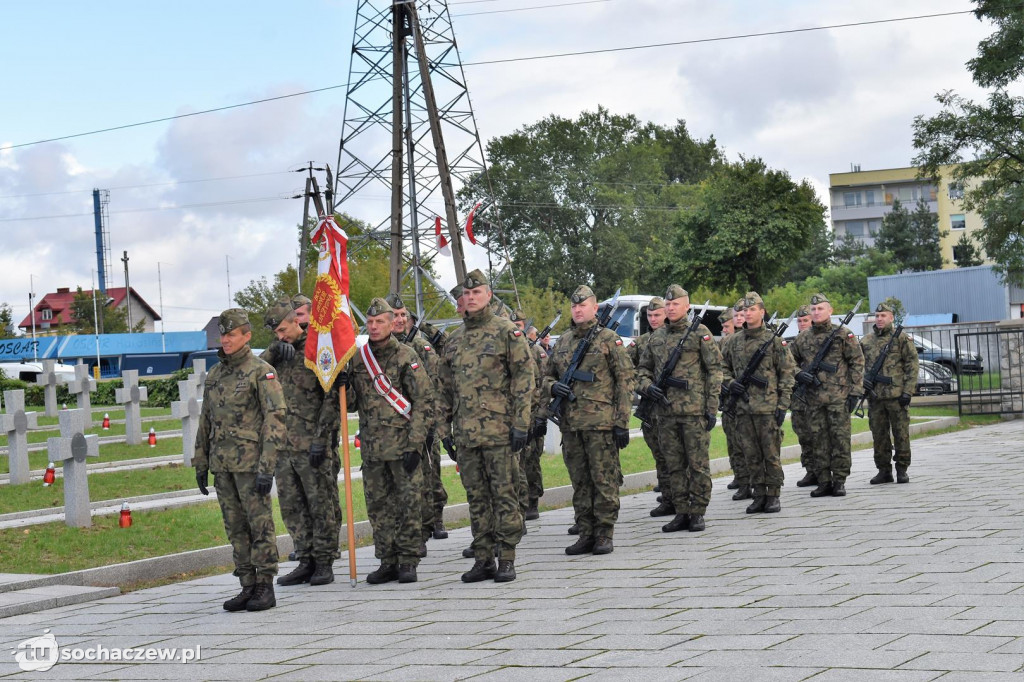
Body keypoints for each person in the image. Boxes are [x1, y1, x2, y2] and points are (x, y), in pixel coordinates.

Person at [438, 269, 534, 582]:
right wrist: (444, 431)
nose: (470, 298)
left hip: (500, 431)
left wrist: (521, 423)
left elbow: (524, 379)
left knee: (504, 494)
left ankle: (506, 556)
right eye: (466, 295)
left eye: (476, 293)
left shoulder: (507, 332)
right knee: (476, 497)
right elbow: (444, 389)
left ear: (488, 295)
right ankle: (483, 557)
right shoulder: (455, 340)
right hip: (466, 434)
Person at [194, 308, 286, 612]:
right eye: (223, 334)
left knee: (259, 525)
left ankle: (265, 586)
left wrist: (267, 466)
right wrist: (201, 461)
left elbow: (275, 418)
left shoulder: (262, 371)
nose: (226, 340)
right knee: (234, 527)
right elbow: (206, 420)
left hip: (251, 464)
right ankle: (247, 584)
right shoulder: (216, 373)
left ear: (247, 335)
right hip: (223, 465)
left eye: (231, 334)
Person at [347, 297, 433, 584]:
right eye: (369, 323)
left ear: (391, 324)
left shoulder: (407, 356)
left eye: (379, 321)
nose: (373, 327)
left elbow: (423, 402)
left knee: (408, 504)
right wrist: (341, 385)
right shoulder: (359, 359)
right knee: (378, 507)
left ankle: (408, 560)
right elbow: (349, 405)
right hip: (372, 449)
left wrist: (416, 444)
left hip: (403, 445)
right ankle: (387, 559)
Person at [545, 285, 634, 555]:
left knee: (603, 479)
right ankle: (585, 532)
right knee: (580, 481)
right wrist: (552, 388)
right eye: (574, 306)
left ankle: (604, 533)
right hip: (571, 425)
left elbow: (625, 381)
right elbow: (545, 376)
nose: (577, 310)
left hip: (601, 424)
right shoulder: (562, 342)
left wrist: (621, 421)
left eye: (582, 306)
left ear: (595, 308)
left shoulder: (609, 339)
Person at [261, 300, 341, 587]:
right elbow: (251, 372)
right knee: (292, 506)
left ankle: (324, 561)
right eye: (276, 334)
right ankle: (305, 558)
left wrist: (323, 438)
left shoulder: (318, 349)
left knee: (320, 503)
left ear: (296, 320)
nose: (281, 337)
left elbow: (331, 398)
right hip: (283, 446)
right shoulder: (277, 355)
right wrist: (273, 351)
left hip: (312, 444)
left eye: (284, 330)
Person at [636, 285, 721, 533]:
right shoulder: (656, 337)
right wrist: (647, 386)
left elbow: (715, 370)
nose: (671, 308)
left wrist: (711, 407)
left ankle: (698, 512)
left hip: (694, 411)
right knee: (674, 465)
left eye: (675, 304)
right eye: (668, 304)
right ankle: (681, 510)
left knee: (697, 465)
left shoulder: (699, 333)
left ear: (686, 306)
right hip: (664, 412)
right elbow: (642, 370)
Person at [720, 292, 796, 513]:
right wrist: (730, 382)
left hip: (768, 407)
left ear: (762, 312)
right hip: (743, 408)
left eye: (752, 310)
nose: (747, 313)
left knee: (770, 453)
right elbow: (720, 368)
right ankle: (758, 493)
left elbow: (787, 374)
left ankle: (773, 494)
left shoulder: (774, 341)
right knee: (750, 453)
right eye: (744, 310)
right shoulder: (733, 341)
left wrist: (783, 405)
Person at [387, 293, 448, 547]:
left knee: (430, 473)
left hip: (423, 422)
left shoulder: (420, 345)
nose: (399, 320)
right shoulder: (378, 349)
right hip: (395, 426)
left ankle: (435, 519)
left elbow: (435, 381)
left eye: (403, 316)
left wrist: (432, 421)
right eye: (395, 315)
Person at [791, 294, 865, 498]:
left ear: (830, 311)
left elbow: (857, 362)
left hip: (838, 397)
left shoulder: (843, 334)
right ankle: (823, 480)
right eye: (813, 310)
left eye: (820, 309)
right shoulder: (802, 338)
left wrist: (855, 391)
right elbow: (788, 361)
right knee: (818, 440)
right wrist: (799, 374)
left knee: (840, 439)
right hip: (813, 400)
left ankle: (839, 480)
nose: (816, 313)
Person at [861, 302, 919, 484]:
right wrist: (864, 381)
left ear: (891, 318)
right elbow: (858, 365)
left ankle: (902, 469)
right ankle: (883, 470)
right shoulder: (866, 341)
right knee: (879, 436)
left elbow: (912, 365)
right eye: (877, 316)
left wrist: (908, 391)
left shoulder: (901, 339)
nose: (879, 319)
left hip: (897, 397)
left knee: (901, 434)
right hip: (876, 397)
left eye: (883, 316)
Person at [627, 297, 673, 516]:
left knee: (675, 453)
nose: (653, 319)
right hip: (650, 407)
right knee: (659, 453)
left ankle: (682, 495)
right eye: (650, 315)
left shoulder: (675, 338)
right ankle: (667, 496)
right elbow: (627, 371)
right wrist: (643, 387)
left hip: (674, 406)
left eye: (657, 315)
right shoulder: (641, 342)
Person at [511, 309, 547, 522]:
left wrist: (542, 414)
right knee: (519, 462)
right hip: (516, 415)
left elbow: (544, 383)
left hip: (533, 413)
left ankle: (533, 498)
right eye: (513, 324)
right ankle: (520, 504)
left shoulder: (535, 351)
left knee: (532, 459)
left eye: (519, 325)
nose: (516, 328)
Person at [719, 301, 749, 499]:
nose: (739, 318)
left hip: (751, 401)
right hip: (730, 399)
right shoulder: (727, 342)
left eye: (742, 314)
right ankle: (742, 478)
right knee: (734, 442)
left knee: (750, 443)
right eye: (736, 315)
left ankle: (757, 481)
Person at [789, 306, 817, 488]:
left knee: (820, 435)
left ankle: (824, 469)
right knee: (804, 435)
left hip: (818, 395)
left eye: (805, 320)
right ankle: (810, 470)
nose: (802, 324)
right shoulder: (794, 343)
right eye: (799, 321)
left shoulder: (820, 340)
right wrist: (798, 373)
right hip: (799, 397)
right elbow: (787, 364)